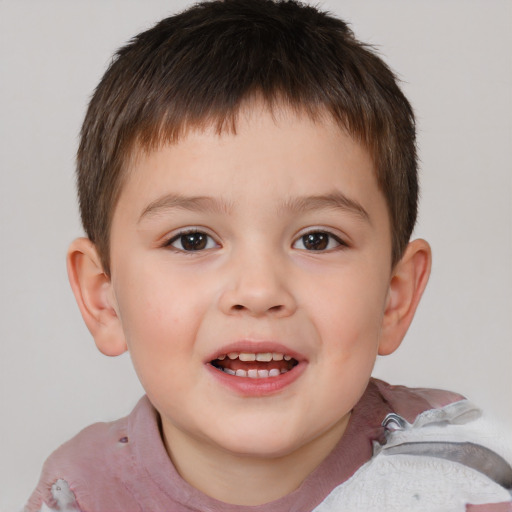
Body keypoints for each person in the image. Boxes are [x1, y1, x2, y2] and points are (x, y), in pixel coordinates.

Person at [25, 1, 512, 511]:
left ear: (395, 297)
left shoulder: (465, 476)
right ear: (104, 298)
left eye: (317, 239)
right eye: (192, 240)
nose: (258, 291)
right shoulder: (78, 493)